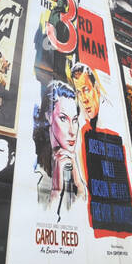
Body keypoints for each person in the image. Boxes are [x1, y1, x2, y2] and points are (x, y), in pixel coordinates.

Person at [32, 80, 82, 218]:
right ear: (49, 116)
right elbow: (42, 217)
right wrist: (56, 191)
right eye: (63, 119)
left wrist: (79, 183)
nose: (72, 131)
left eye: (75, 120)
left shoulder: (74, 162)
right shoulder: (36, 167)